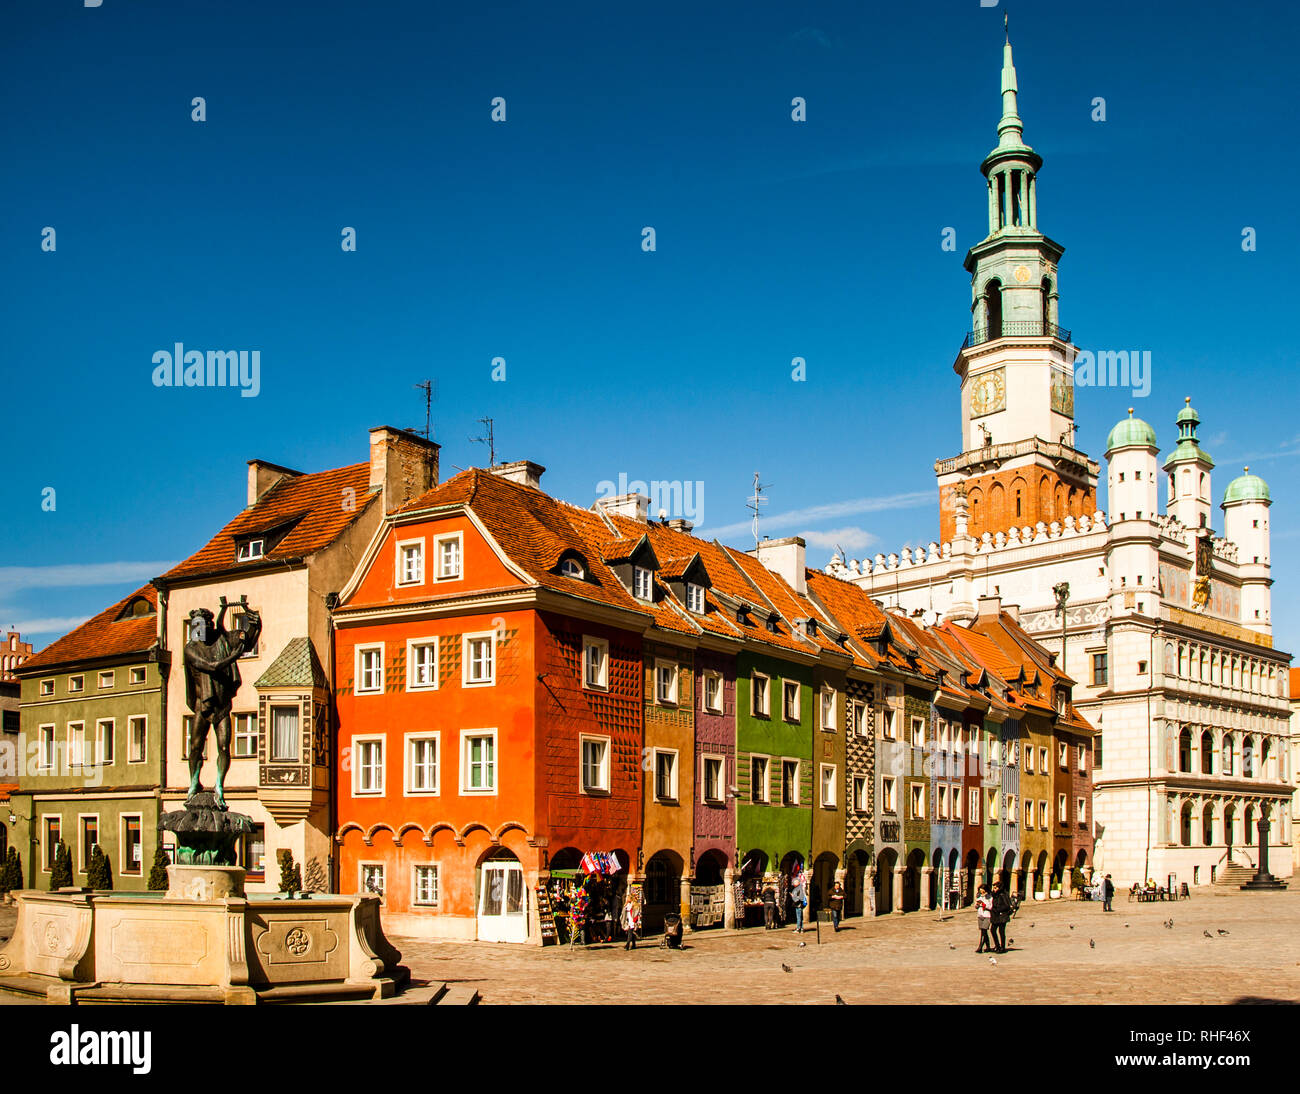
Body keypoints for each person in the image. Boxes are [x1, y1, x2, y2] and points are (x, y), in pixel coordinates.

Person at [990, 881, 1012, 953]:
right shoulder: (994, 895)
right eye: (993, 888)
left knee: (1001, 931)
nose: (994, 889)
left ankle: (1002, 947)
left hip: (1002, 916)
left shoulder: (1003, 895)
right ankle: (997, 945)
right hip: (995, 916)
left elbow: (1006, 905)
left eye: (995, 888)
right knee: (992, 930)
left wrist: (998, 909)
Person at [975, 884, 993, 953]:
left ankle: (980, 947)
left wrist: (984, 905)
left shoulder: (989, 897)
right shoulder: (979, 896)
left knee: (984, 930)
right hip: (980, 915)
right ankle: (988, 947)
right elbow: (976, 906)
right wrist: (977, 905)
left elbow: (990, 907)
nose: (981, 891)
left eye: (982, 890)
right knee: (984, 932)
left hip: (987, 915)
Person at [789, 866, 808, 933]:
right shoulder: (799, 889)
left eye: (795, 882)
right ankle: (801, 928)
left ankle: (798, 928)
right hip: (800, 904)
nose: (793, 884)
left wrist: (792, 896)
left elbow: (798, 898)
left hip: (798, 905)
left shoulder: (798, 889)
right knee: (801, 917)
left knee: (799, 917)